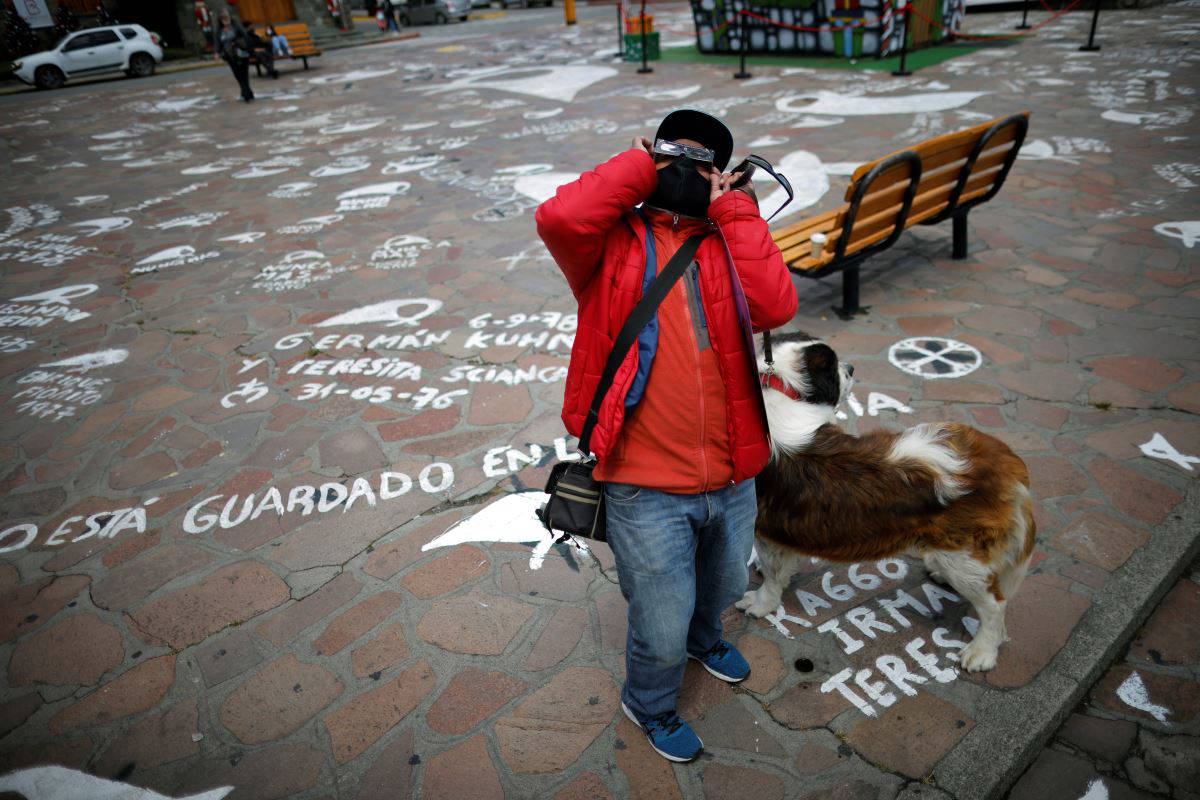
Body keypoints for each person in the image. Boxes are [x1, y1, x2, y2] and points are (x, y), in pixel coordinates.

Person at [535, 110, 797, 762]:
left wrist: (734, 206)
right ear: (650, 159)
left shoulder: (728, 238)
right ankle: (649, 702)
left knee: (723, 588)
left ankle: (705, 641)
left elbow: (775, 305)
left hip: (733, 474)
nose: (688, 170)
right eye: (674, 154)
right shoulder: (612, 242)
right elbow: (559, 219)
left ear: (723, 175)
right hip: (644, 482)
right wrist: (636, 168)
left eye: (704, 162)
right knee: (658, 622)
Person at [214, 10, 254, 101]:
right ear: (220, 21)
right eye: (224, 20)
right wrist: (216, 52)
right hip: (229, 56)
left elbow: (245, 36)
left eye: (227, 19)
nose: (226, 21)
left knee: (244, 73)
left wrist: (237, 42)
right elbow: (217, 43)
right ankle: (247, 92)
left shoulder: (236, 26)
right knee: (237, 74)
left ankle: (246, 94)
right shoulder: (219, 31)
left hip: (241, 53)